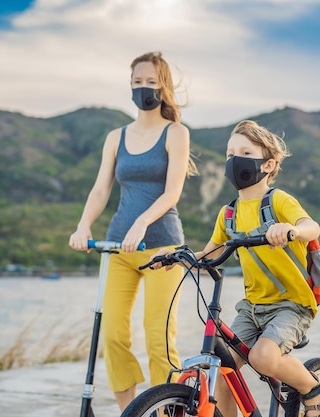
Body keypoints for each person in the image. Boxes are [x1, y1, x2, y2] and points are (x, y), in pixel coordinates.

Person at [152, 120, 320, 417]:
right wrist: (173, 256)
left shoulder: (278, 201)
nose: (234, 160)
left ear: (267, 164)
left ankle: (313, 391)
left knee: (263, 358)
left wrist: (290, 230)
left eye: (245, 152)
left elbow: (311, 227)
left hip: (292, 305)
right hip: (251, 307)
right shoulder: (229, 214)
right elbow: (209, 252)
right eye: (230, 153)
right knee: (223, 366)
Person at [69, 51, 197, 412]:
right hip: (117, 248)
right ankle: (132, 411)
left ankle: (166, 409)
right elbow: (100, 190)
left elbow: (172, 192)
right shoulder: (116, 137)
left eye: (151, 82)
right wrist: (83, 226)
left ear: (164, 87)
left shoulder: (176, 133)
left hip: (163, 248)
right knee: (112, 337)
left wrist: (143, 221)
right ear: (130, 86)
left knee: (159, 340)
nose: (144, 88)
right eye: (138, 82)